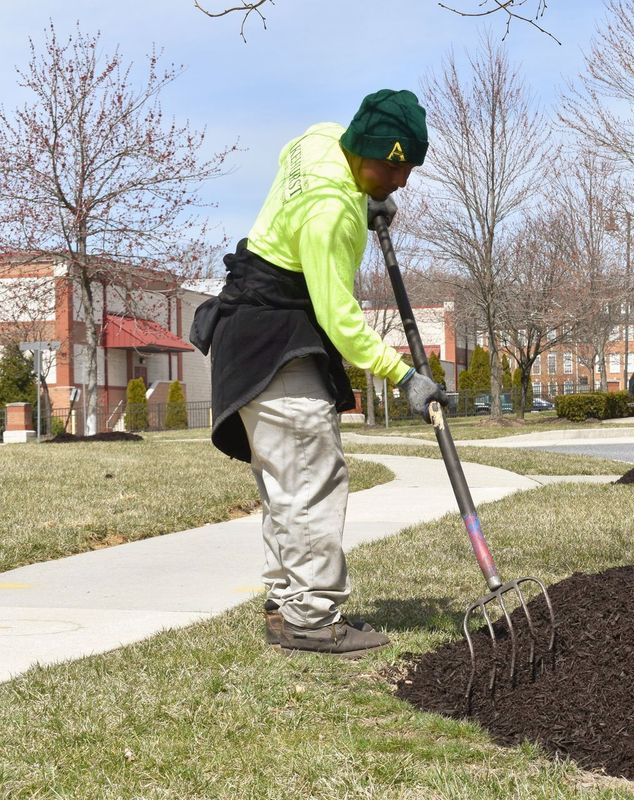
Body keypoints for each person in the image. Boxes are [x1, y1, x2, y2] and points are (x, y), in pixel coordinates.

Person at [190, 89, 447, 659]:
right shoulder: (329, 213)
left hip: (248, 339)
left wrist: (367, 199)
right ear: (370, 154)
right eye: (397, 169)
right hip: (278, 343)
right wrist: (404, 376)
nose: (402, 182)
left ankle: (288, 604)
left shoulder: (322, 138)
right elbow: (339, 319)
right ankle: (311, 617)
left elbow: (292, 158)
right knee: (311, 480)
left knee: (287, 485)